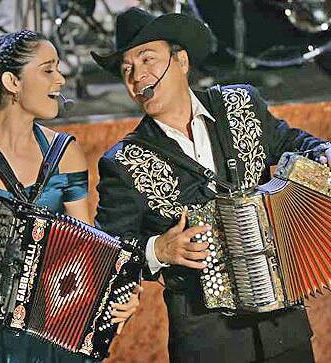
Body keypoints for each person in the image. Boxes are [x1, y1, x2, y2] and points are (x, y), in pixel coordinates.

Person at [91, 7, 331, 363]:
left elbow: (293, 142)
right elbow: (107, 251)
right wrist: (158, 249)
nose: (138, 75)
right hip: (208, 344)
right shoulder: (123, 161)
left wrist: (324, 151)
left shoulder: (240, 104)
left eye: (147, 59)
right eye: (127, 69)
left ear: (182, 61)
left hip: (286, 330)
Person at [0, 30, 139, 362]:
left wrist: (115, 290)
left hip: (40, 338)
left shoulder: (65, 153)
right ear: (12, 81)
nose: (61, 78)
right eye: (48, 69)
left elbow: (89, 247)